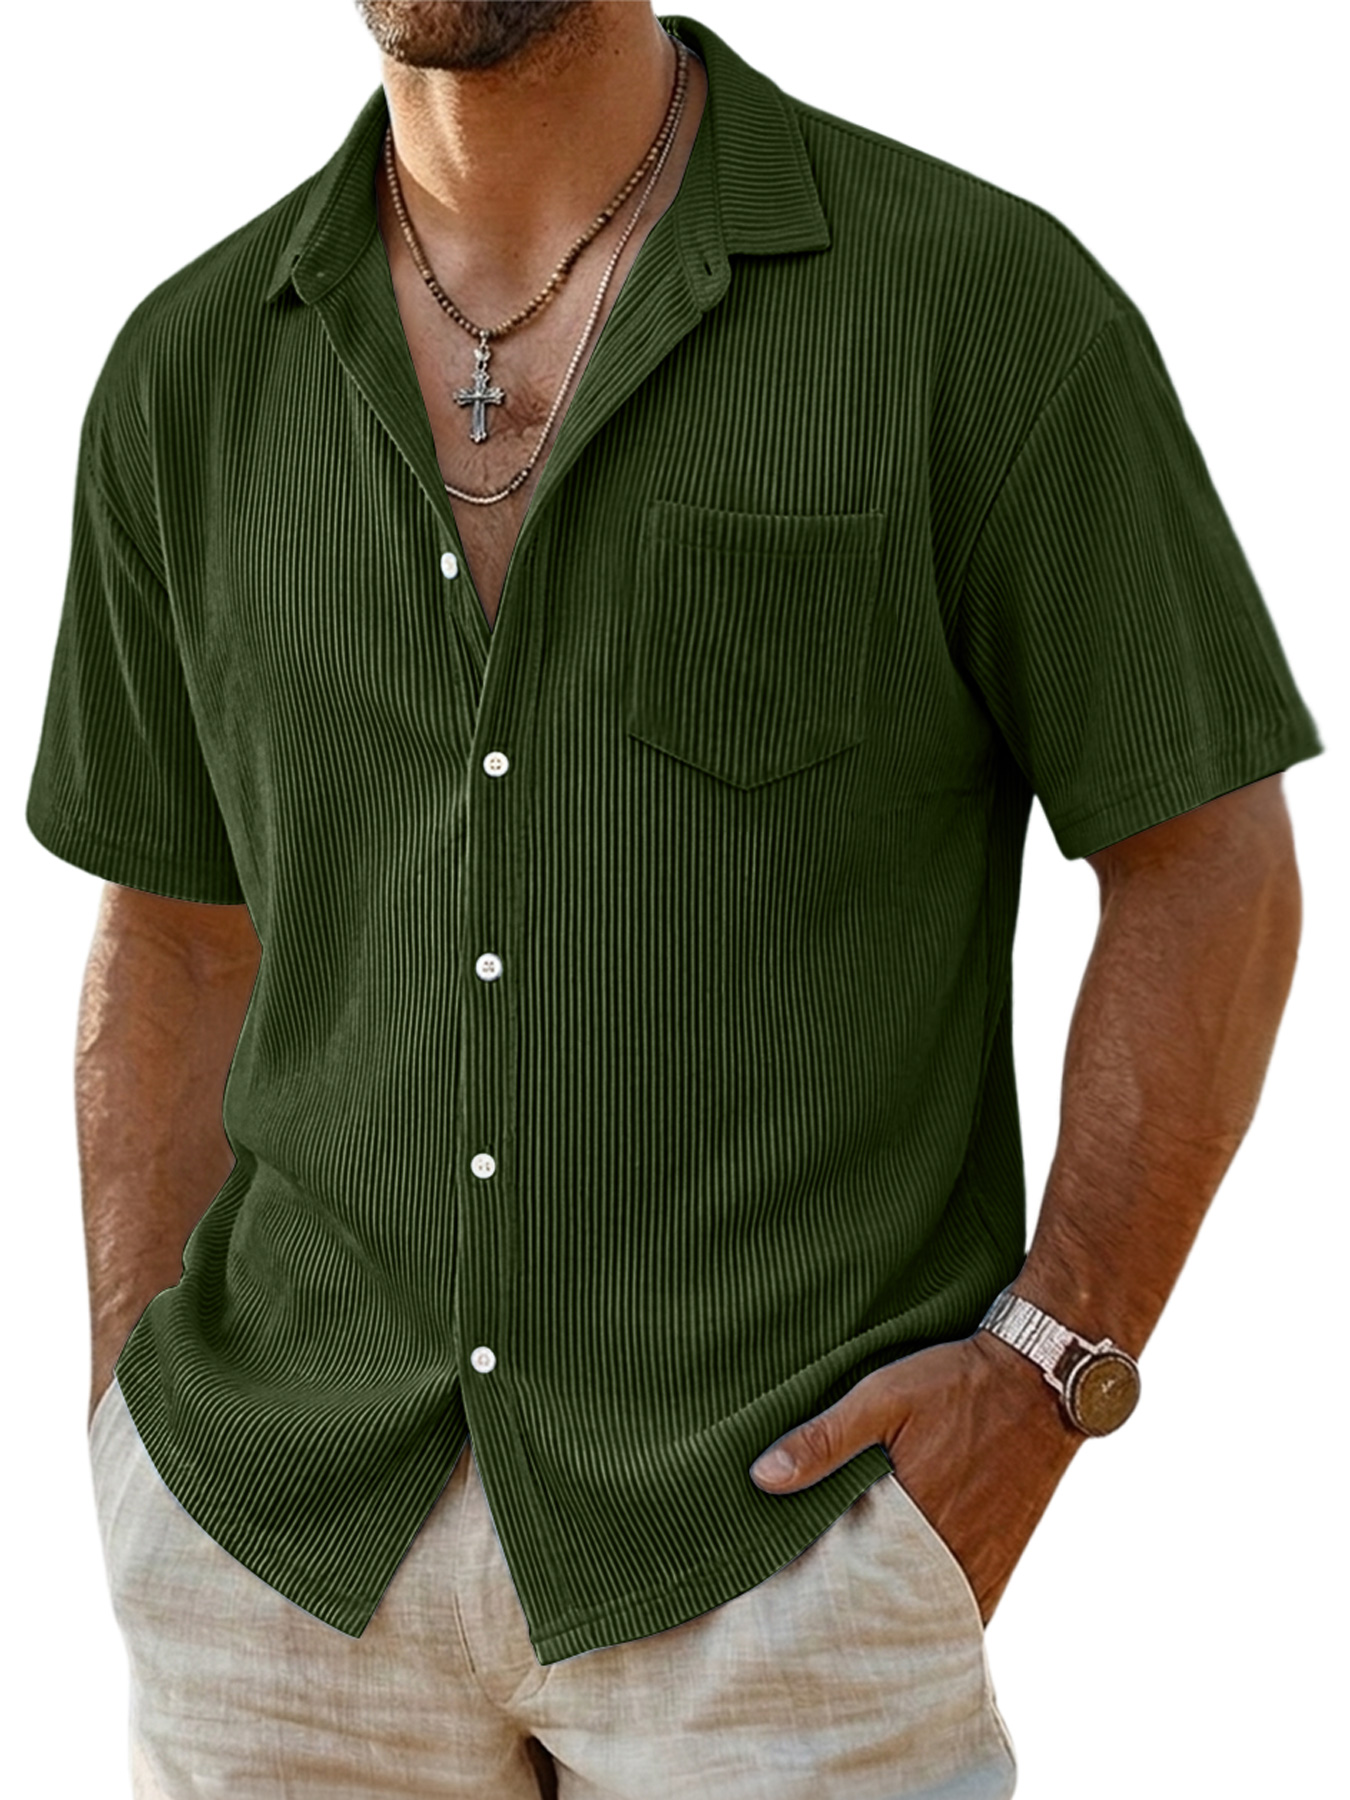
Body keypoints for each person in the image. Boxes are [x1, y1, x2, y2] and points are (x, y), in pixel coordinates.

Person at [24, 3, 1323, 1796]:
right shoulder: (186, 370)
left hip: (782, 1553)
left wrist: (1047, 1368)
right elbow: (173, 933)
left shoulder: (972, 306)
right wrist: (132, 1418)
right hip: (277, 1566)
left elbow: (1203, 861)